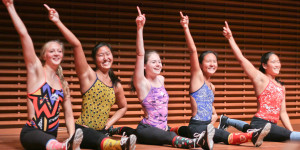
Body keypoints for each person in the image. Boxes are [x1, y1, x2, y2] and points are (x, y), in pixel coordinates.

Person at [170, 12, 272, 148]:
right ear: (200, 64)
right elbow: (193, 51)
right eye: (209, 61)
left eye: (215, 61)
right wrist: (186, 27)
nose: (212, 64)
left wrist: (214, 115)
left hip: (207, 126)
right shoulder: (197, 78)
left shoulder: (212, 86)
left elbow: (208, 106)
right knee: (225, 136)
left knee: (221, 134)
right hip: (197, 127)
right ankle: (252, 136)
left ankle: (251, 136)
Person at [44, 4, 136, 150]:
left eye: (108, 54)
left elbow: (123, 107)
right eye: (101, 55)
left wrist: (109, 123)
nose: (105, 58)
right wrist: (57, 21)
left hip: (102, 131)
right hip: (82, 129)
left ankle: (117, 142)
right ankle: (120, 145)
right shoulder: (88, 76)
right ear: (95, 60)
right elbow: (76, 45)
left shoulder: (116, 85)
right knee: (88, 135)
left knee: (103, 136)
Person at [3, 0, 83, 149]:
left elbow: (69, 115)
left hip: (51, 136)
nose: (56, 53)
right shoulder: (37, 72)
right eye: (52, 51)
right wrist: (10, 6)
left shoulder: (62, 83)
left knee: (54, 142)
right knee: (51, 143)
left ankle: (66, 145)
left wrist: (73, 138)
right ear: (44, 55)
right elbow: (24, 35)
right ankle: (61, 146)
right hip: (31, 133)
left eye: (59, 51)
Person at [130, 6, 209, 149]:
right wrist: (140, 28)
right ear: (144, 66)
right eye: (153, 62)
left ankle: (200, 137)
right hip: (147, 130)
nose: (158, 64)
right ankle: (195, 143)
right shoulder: (142, 83)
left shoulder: (161, 79)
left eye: (159, 61)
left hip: (163, 128)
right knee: (170, 136)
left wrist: (185, 27)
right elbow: (140, 54)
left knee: (187, 130)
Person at [218, 21, 300, 142]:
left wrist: (291, 132)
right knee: (287, 135)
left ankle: (228, 121)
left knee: (286, 135)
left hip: (271, 127)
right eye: (273, 62)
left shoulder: (281, 87)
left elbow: (283, 113)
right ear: (264, 65)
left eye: (278, 61)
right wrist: (230, 38)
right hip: (261, 123)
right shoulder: (260, 78)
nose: (277, 64)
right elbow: (241, 59)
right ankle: (253, 132)